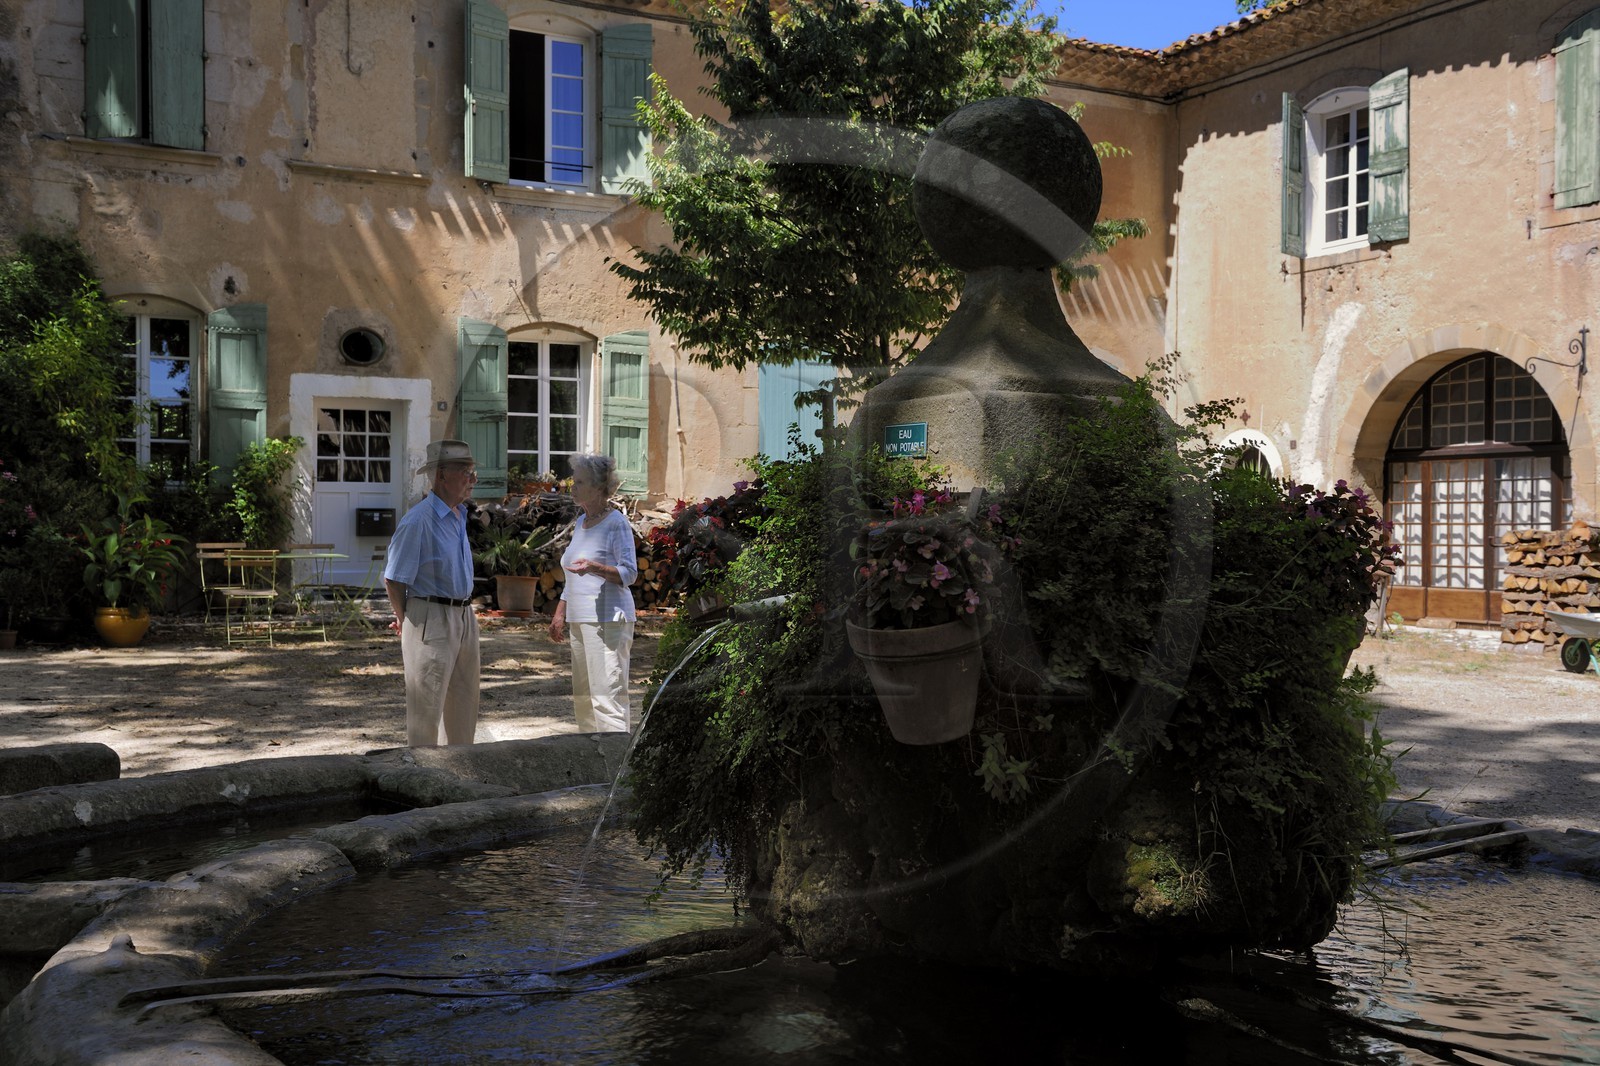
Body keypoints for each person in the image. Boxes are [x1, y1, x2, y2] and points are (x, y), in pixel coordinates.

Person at [383, 439, 480, 747]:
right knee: (426, 710)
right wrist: (406, 619)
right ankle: (423, 772)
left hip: (465, 616)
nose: (473, 479)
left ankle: (461, 770)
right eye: (465, 471)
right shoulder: (418, 521)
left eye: (472, 471)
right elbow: (394, 579)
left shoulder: (458, 515)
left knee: (464, 704)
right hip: (430, 618)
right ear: (441, 475)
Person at [549, 453, 637, 732]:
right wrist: (560, 614)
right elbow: (571, 576)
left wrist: (596, 568)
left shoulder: (616, 523)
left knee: (607, 697)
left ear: (599, 487)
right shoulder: (581, 523)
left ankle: (616, 758)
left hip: (609, 620)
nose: (572, 487)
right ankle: (589, 756)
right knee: (584, 700)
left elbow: (629, 573)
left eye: (580, 482)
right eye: (573, 481)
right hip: (580, 619)